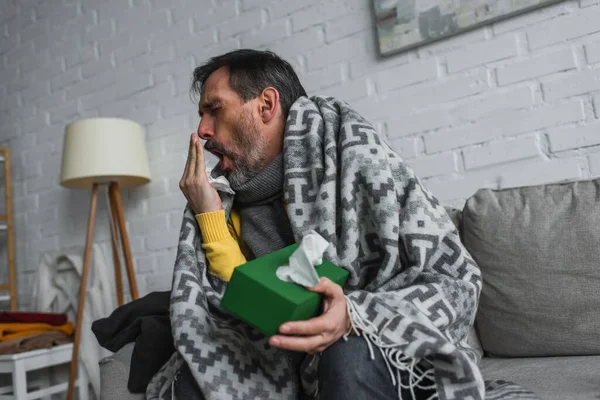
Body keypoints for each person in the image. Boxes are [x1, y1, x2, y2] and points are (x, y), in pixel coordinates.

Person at [152, 49, 486, 400]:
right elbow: (242, 309)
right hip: (282, 358)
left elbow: (458, 282)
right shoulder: (222, 200)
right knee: (196, 380)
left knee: (347, 352)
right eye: (201, 115)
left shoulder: (354, 157)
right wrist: (209, 216)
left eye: (214, 109)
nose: (202, 130)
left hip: (378, 349)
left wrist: (355, 315)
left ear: (266, 105)